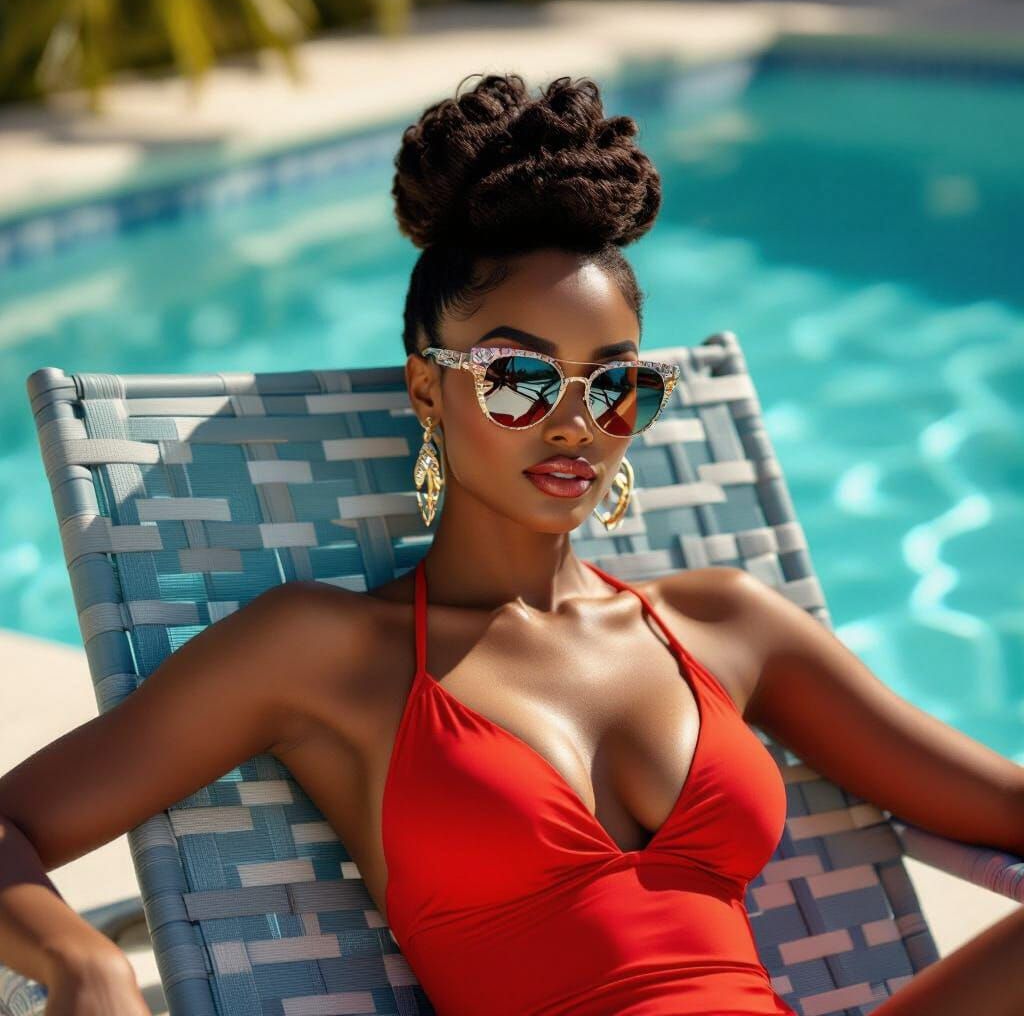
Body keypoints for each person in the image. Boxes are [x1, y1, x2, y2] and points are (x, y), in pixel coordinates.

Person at [1, 72, 1022, 1016]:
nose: (575, 422)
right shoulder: (326, 650)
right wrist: (83, 963)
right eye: (518, 378)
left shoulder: (724, 625)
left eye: (614, 381)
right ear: (425, 388)